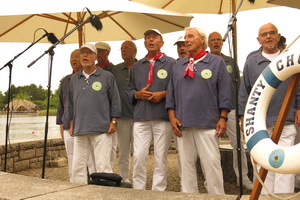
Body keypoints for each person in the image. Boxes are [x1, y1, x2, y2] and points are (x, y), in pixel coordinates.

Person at [166, 27, 231, 194]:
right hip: (183, 123)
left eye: (190, 37)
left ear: (202, 40)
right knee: (186, 165)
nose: (186, 40)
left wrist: (223, 117)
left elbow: (225, 92)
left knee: (211, 164)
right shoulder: (178, 65)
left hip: (208, 122)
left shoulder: (216, 62)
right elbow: (171, 93)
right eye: (185, 38)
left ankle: (217, 197)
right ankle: (189, 196)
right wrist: (172, 117)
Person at [239, 23, 299, 194]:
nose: (268, 37)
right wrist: (243, 117)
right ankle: (266, 197)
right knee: (264, 164)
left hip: (286, 120)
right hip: (260, 122)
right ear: (259, 39)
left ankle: (283, 196)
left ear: (278, 36)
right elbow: (245, 91)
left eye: (272, 33)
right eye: (264, 34)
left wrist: (299, 108)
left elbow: (299, 87)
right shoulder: (252, 61)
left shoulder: (290, 57)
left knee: (285, 166)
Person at [126, 29, 175, 191]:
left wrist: (164, 94)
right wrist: (137, 94)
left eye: (155, 37)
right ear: (145, 43)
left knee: (160, 157)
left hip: (162, 116)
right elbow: (128, 90)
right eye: (148, 38)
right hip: (141, 117)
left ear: (161, 43)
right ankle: (139, 190)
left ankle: (158, 191)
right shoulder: (137, 66)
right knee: (139, 155)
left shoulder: (172, 63)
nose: (151, 40)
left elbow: (177, 89)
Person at [68, 43, 121, 184]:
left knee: (103, 167)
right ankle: (78, 194)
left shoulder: (107, 76)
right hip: (80, 129)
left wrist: (114, 122)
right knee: (78, 167)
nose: (85, 55)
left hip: (102, 129)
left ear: (96, 56)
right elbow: (71, 104)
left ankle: (105, 195)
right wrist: (72, 124)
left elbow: (115, 101)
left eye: (89, 52)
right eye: (82, 53)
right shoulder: (74, 79)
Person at [208, 31, 253, 190]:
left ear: (222, 42)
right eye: (212, 40)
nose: (216, 42)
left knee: (238, 145)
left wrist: (242, 111)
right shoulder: (205, 61)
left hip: (232, 109)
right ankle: (211, 179)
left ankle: (243, 177)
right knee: (210, 147)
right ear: (208, 43)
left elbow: (239, 87)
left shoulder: (231, 62)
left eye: (218, 40)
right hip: (211, 111)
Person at [56, 49, 96, 182]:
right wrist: (61, 125)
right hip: (68, 126)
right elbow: (61, 104)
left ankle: (96, 185)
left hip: (87, 125)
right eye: (71, 58)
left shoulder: (90, 78)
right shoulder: (66, 80)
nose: (73, 60)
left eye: (76, 57)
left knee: (92, 160)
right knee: (72, 159)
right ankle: (74, 185)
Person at [111, 40, 137, 184]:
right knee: (123, 151)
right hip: (122, 117)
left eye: (126, 48)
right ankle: (125, 178)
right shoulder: (116, 70)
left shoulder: (141, 67)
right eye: (121, 48)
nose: (123, 50)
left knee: (140, 151)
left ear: (135, 51)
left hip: (140, 117)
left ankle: (140, 179)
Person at [95, 41, 117, 168]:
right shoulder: (92, 70)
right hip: (96, 113)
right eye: (96, 51)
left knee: (112, 145)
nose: (98, 54)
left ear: (107, 53)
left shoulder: (114, 70)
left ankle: (108, 170)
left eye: (100, 51)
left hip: (110, 114)